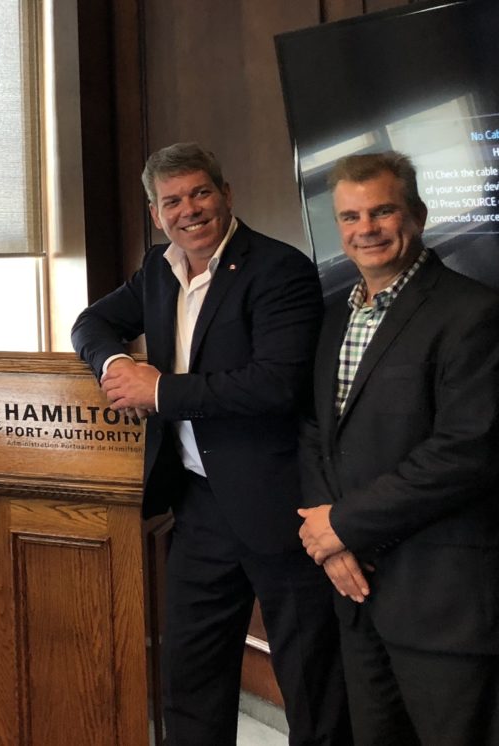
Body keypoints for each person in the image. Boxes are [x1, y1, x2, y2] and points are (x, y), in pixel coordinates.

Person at [72, 142, 349, 745]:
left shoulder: (279, 269)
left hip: (281, 507)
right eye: (172, 201)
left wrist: (160, 391)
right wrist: (117, 363)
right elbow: (90, 324)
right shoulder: (158, 268)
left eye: (200, 193)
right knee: (191, 680)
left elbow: (276, 384)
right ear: (156, 213)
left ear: (226, 194)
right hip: (197, 505)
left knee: (312, 685)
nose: (189, 210)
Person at [298, 151, 499, 745]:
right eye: (350, 216)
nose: (366, 229)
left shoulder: (474, 313)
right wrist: (329, 539)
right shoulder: (335, 316)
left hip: (442, 605)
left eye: (382, 211)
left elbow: (466, 452)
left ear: (417, 214)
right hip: (357, 595)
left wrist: (343, 525)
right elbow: (315, 432)